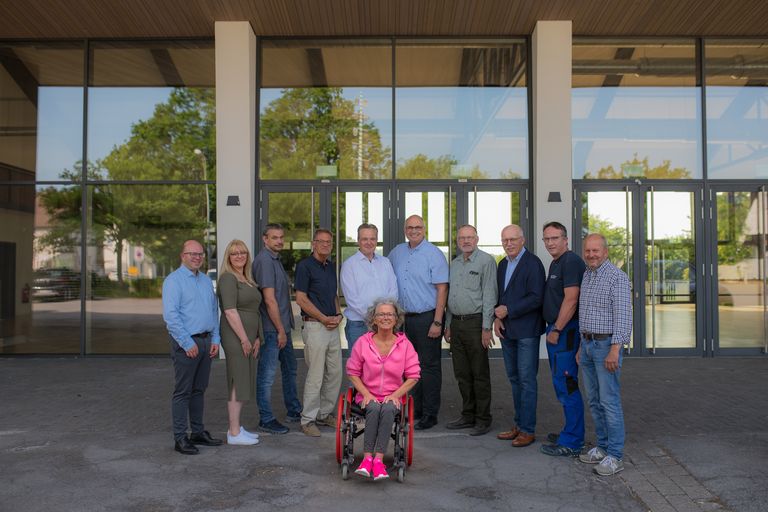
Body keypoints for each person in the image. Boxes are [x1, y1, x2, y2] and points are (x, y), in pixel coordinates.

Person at [347, 299, 420, 481]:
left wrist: (395, 395)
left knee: (387, 408)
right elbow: (352, 371)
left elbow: (414, 375)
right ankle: (366, 459)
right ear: (374, 319)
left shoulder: (405, 345)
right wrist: (365, 393)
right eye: (381, 314)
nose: (385, 317)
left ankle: (378, 461)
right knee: (373, 406)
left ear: (396, 319)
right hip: (367, 394)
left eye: (390, 314)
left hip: (393, 397)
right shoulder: (363, 343)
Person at [577, 233, 632, 476]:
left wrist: (615, 349)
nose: (591, 255)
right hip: (587, 345)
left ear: (605, 252)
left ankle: (615, 455)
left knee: (609, 401)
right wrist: (581, 344)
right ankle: (602, 446)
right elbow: (585, 312)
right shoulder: (587, 275)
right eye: (588, 251)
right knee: (594, 399)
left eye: (596, 251)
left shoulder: (617, 278)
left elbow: (623, 316)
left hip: (606, 347)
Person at [387, 214, 449, 430]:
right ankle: (415, 409)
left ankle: (430, 414)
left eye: (418, 227)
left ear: (424, 229)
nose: (414, 230)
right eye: (410, 227)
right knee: (408, 367)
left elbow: (442, 289)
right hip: (403, 320)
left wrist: (438, 321)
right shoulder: (396, 253)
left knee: (429, 366)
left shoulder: (434, 254)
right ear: (405, 229)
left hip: (427, 318)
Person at [162, 240, 223, 455]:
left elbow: (213, 312)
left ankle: (197, 432)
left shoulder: (206, 281)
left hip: (206, 343)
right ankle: (180, 438)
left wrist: (215, 339)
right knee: (183, 392)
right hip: (186, 344)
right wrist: (187, 343)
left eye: (200, 254)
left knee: (199, 390)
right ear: (182, 255)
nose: (197, 257)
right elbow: (171, 317)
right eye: (192, 254)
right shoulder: (173, 281)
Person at [494, 224, 545, 448]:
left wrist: (509, 310)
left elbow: (536, 298)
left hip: (526, 332)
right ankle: (518, 425)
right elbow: (500, 296)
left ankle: (528, 430)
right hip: (508, 331)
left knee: (526, 380)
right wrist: (497, 318)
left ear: (523, 240)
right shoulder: (503, 264)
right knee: (514, 380)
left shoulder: (533, 264)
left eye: (513, 239)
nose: (509, 244)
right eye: (505, 240)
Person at [538, 222, 587, 457]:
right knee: (560, 384)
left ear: (565, 239)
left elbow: (572, 300)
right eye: (546, 239)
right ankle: (570, 431)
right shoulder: (557, 263)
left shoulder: (571, 262)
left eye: (554, 238)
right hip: (557, 332)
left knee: (567, 385)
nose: (550, 243)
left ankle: (573, 441)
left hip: (565, 333)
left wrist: (557, 328)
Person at [444, 225, 497, 436]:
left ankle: (483, 419)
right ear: (458, 241)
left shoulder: (486, 261)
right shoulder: (455, 264)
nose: (466, 241)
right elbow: (450, 296)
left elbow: (490, 295)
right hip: (456, 324)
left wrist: (487, 327)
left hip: (476, 325)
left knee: (479, 373)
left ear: (477, 239)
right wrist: (448, 323)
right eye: (462, 238)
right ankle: (468, 415)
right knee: (462, 373)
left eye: (470, 237)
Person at [252, 223, 302, 435]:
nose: (279, 241)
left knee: (290, 369)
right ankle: (266, 418)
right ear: (265, 239)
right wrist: (280, 330)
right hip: (272, 329)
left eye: (281, 237)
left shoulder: (275, 260)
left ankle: (293, 410)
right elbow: (269, 300)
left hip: (282, 328)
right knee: (267, 375)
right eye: (274, 237)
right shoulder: (264, 261)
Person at [295, 228, 343, 437]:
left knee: (335, 373)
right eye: (321, 241)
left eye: (329, 242)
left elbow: (333, 295)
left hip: (333, 326)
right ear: (313, 243)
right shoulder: (305, 266)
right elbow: (301, 299)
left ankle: (324, 414)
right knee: (315, 375)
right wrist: (323, 318)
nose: (325, 245)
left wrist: (339, 314)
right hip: (315, 326)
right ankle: (308, 419)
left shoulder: (330, 267)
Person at [217, 239, 262, 446]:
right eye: (234, 253)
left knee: (244, 381)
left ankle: (236, 427)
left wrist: (257, 337)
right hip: (235, 336)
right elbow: (229, 311)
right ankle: (234, 433)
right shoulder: (228, 278)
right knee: (238, 380)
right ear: (228, 257)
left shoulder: (246, 278)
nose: (239, 256)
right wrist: (244, 338)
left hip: (248, 337)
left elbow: (255, 310)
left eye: (242, 252)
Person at [340, 223, 398, 351]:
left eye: (372, 238)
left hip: (385, 325)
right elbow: (352, 299)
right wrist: (375, 318)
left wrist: (384, 317)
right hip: (358, 325)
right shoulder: (349, 265)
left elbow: (393, 291)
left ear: (377, 240)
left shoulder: (385, 262)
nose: (369, 242)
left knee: (383, 365)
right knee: (359, 367)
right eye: (365, 239)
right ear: (358, 241)